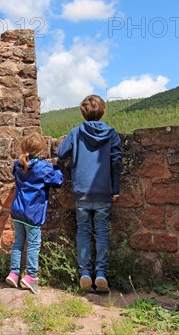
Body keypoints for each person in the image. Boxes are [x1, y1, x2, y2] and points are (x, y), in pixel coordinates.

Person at [57, 95, 122, 292]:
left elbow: (61, 153)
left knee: (83, 231)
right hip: (103, 191)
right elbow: (116, 161)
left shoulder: (76, 132)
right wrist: (115, 189)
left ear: (83, 112)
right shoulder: (111, 133)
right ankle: (101, 274)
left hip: (82, 191)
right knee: (101, 232)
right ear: (102, 111)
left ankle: (85, 273)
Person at [5, 132, 63, 295]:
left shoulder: (17, 164)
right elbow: (57, 180)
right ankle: (31, 276)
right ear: (41, 151)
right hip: (33, 212)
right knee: (33, 244)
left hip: (18, 210)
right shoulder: (43, 167)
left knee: (18, 242)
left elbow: (17, 171)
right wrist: (56, 168)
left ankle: (14, 273)